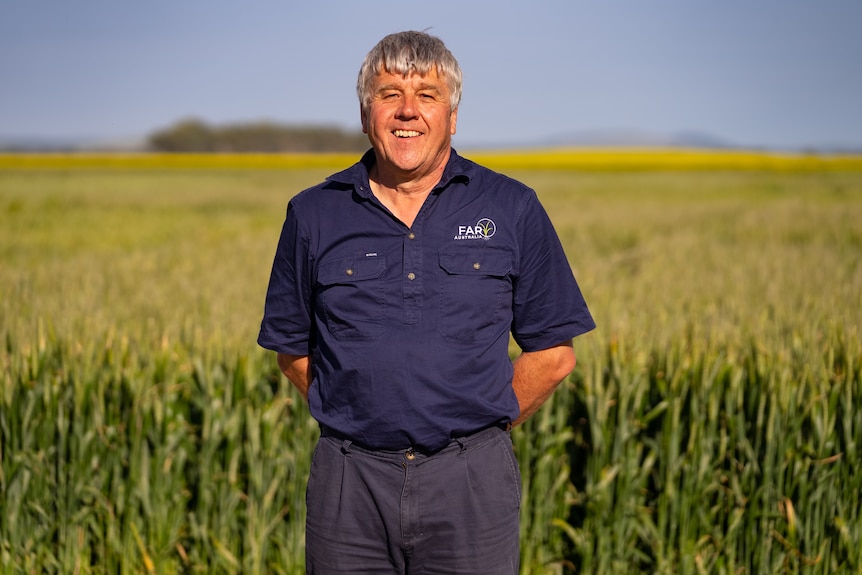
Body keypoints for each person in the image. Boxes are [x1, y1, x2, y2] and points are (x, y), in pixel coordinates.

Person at [258, 30, 595, 575]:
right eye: (389, 94)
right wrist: (359, 417)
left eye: (427, 95)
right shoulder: (313, 213)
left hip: (470, 484)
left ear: (453, 116)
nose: (407, 111)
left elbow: (554, 354)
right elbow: (291, 350)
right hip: (350, 485)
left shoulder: (511, 207)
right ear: (366, 113)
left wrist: (479, 432)